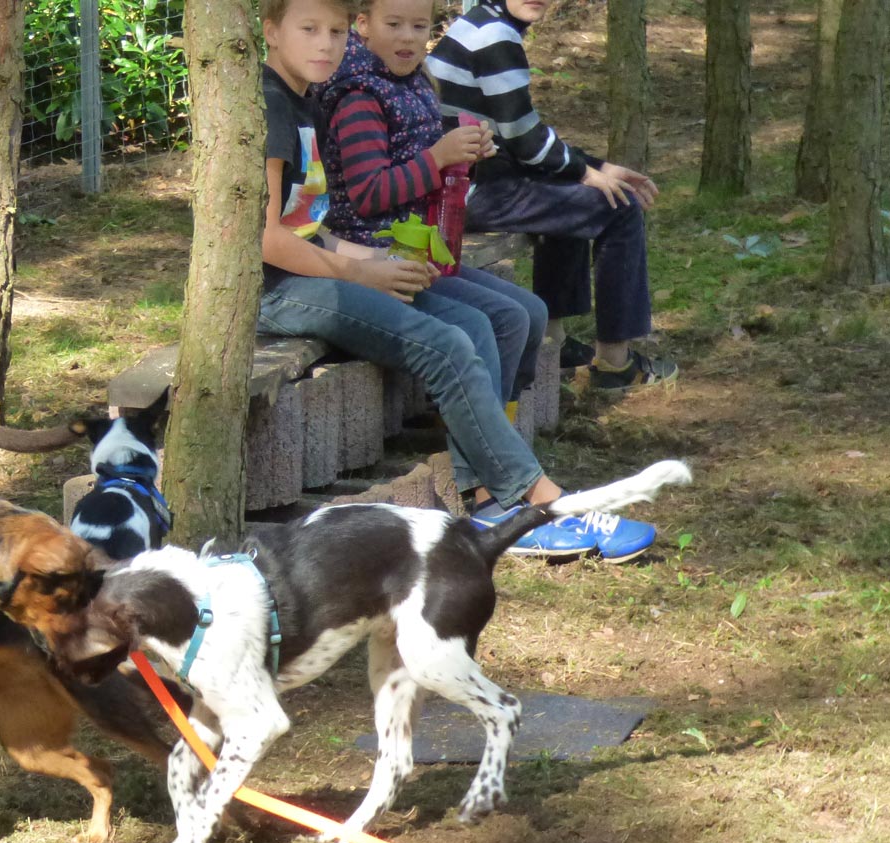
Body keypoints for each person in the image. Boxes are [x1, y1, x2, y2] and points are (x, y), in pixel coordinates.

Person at [257, 0, 656, 560]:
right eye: (309, 30)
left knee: (491, 317)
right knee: (448, 344)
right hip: (276, 292)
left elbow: (309, 225)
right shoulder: (273, 108)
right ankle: (537, 502)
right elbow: (267, 242)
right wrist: (358, 270)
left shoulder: (303, 98)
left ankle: (489, 490)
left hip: (321, 265)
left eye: (335, 32)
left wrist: (369, 263)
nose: (325, 44)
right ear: (271, 31)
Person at [426, 0, 678, 390]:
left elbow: (520, 133)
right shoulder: (494, 36)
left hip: (465, 182)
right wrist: (586, 171)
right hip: (464, 192)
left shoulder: (482, 24)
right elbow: (525, 141)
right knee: (619, 207)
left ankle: (555, 345)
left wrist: (595, 168)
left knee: (573, 193)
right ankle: (615, 364)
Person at [317, 0, 547, 404]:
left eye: (419, 26)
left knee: (533, 312)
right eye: (394, 24)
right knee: (506, 319)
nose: (408, 36)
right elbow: (368, 194)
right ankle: (485, 448)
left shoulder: (413, 82)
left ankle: (494, 427)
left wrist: (466, 157)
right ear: (363, 25)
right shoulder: (359, 96)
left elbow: (427, 171)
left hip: (422, 250)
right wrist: (439, 157)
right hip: (377, 256)